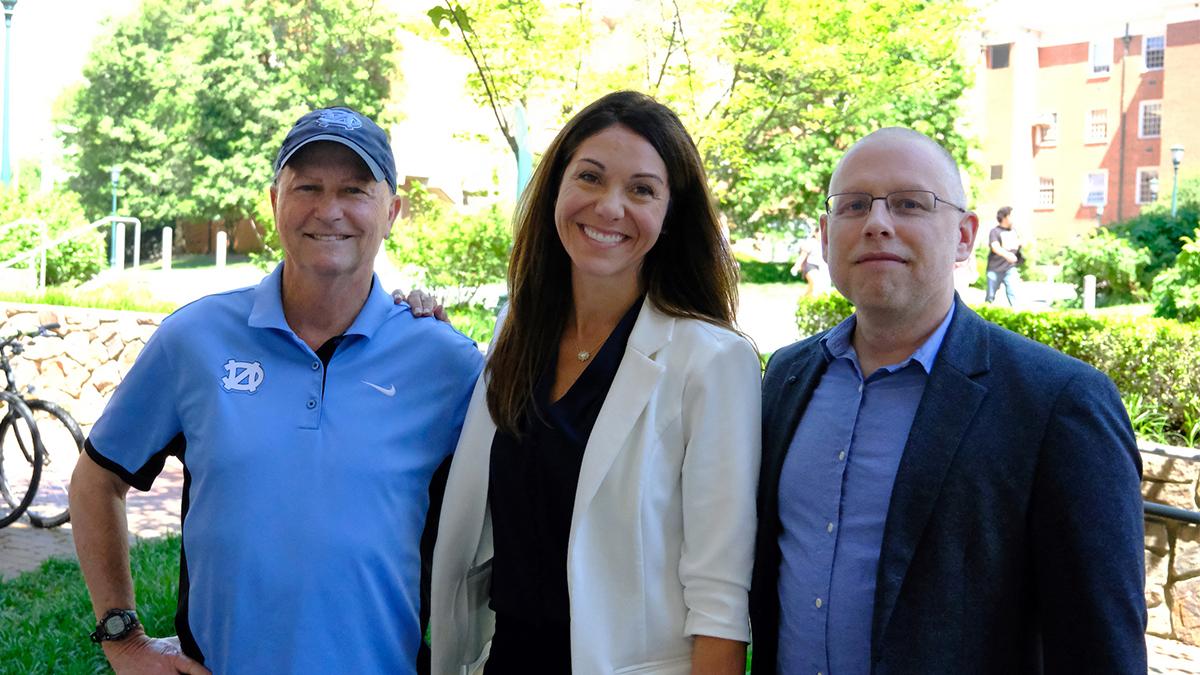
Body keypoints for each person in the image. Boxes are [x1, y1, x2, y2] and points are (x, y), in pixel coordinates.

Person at [70, 106, 483, 674]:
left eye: (355, 190)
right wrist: (124, 639)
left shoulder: (447, 365)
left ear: (393, 212)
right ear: (274, 203)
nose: (328, 210)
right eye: (306, 186)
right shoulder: (195, 339)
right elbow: (96, 481)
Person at [750, 128, 1146, 673]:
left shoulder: (1058, 403)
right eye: (854, 205)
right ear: (824, 236)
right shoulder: (787, 376)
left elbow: (1099, 647)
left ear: (964, 237)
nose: (877, 223)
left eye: (910, 204)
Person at [429, 91, 761, 675]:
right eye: (590, 177)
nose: (610, 207)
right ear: (557, 187)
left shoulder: (711, 362)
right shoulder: (516, 337)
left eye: (642, 189)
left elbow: (720, 603)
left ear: (669, 214)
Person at [985, 205, 1021, 305]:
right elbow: (995, 247)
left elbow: (1017, 245)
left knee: (1013, 294)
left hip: (1010, 268)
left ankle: (1016, 316)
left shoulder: (1014, 231)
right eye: (1012, 216)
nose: (1014, 219)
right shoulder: (995, 231)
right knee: (990, 296)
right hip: (995, 269)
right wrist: (1008, 255)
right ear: (1005, 217)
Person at [791, 232, 830, 297]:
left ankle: (804, 300)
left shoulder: (824, 243)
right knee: (815, 283)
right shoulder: (811, 242)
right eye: (820, 233)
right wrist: (796, 266)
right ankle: (804, 300)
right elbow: (803, 255)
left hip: (821, 267)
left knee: (816, 287)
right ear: (815, 233)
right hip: (810, 265)